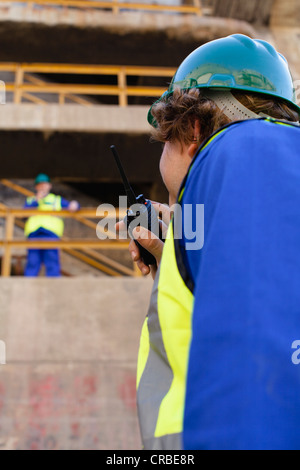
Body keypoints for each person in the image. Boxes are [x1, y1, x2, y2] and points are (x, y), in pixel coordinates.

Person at [118, 34, 300, 450]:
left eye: (165, 139)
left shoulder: (249, 151)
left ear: (193, 130)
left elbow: (257, 364)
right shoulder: (260, 169)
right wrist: (177, 262)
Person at [24, 173, 80, 277]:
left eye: (44, 184)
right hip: (34, 234)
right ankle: (27, 288)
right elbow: (24, 212)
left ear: (49, 186)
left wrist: (75, 204)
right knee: (32, 262)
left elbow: (73, 206)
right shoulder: (31, 200)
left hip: (51, 234)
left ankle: (54, 289)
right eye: (40, 185)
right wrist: (37, 200)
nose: (42, 187)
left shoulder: (57, 200)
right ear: (36, 187)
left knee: (52, 262)